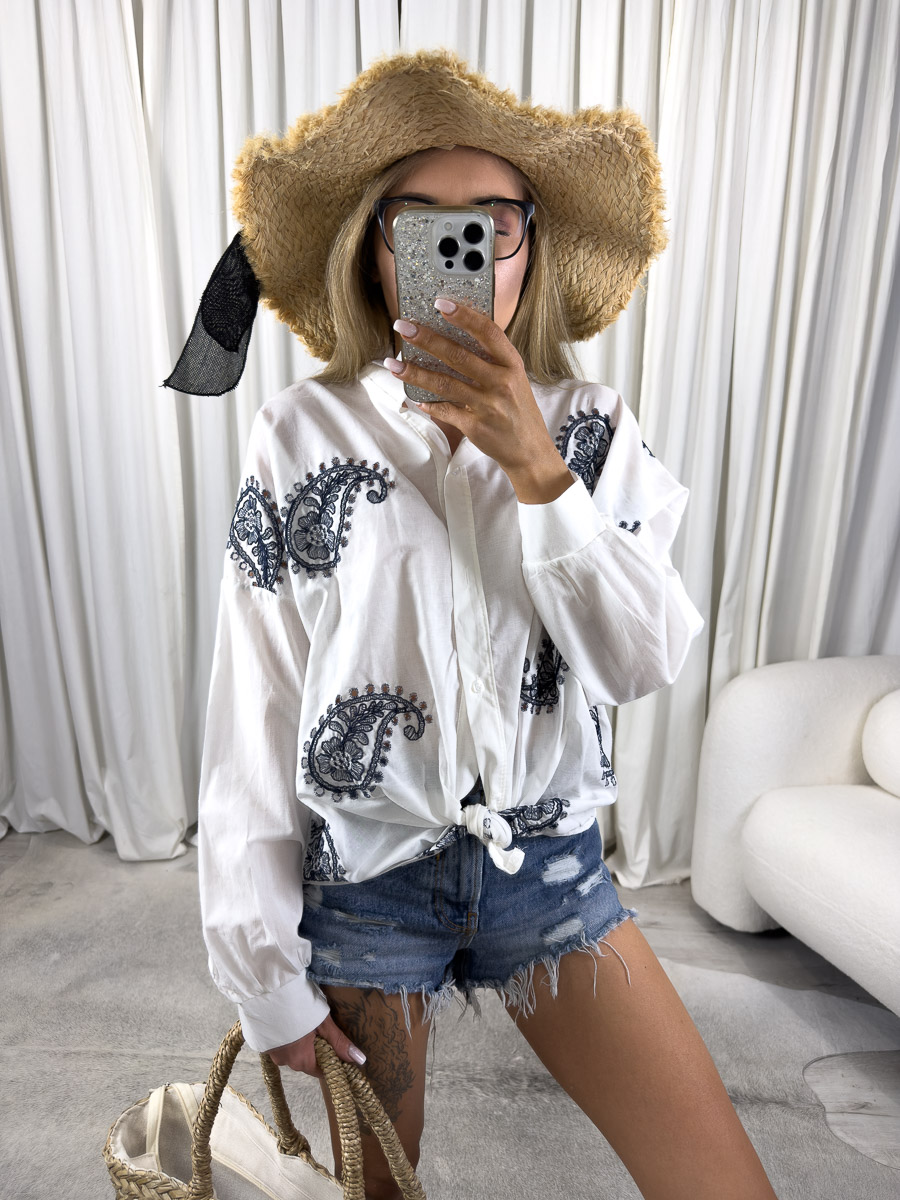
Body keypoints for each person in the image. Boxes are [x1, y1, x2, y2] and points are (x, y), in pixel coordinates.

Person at [182, 49, 778, 1200]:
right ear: (375, 249)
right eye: (421, 223)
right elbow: (254, 707)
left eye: (491, 223)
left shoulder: (594, 430)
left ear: (528, 246)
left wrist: (540, 471)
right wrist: (264, 977)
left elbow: (644, 659)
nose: (459, 252)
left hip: (551, 873)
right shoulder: (300, 435)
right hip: (367, 884)